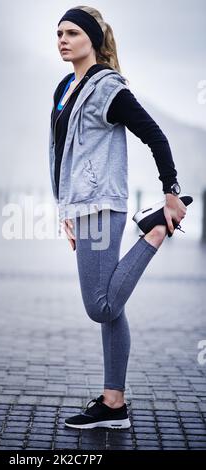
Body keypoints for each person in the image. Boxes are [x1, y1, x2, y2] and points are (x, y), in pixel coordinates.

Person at [49, 6, 189, 430]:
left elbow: (154, 134)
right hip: (82, 207)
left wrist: (169, 190)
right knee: (113, 311)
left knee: (99, 306)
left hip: (101, 205)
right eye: (58, 33)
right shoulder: (64, 87)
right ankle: (114, 405)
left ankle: (156, 231)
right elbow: (61, 155)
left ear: (92, 38)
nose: (62, 40)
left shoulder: (108, 88)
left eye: (72, 32)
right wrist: (65, 209)